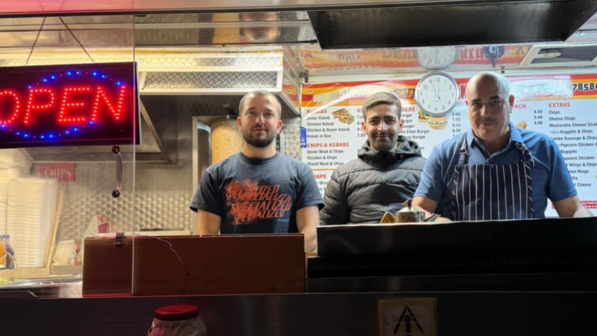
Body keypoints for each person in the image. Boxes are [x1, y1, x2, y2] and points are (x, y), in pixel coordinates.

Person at [413, 72, 593, 220]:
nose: (485, 113)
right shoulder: (444, 154)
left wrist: (588, 223)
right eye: (477, 104)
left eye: (495, 102)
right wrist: (437, 221)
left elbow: (571, 210)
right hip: (464, 258)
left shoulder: (543, 148)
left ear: (511, 103)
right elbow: (418, 210)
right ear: (467, 106)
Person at [190, 90, 323, 252]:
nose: (259, 120)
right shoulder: (215, 175)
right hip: (234, 275)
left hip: (285, 275)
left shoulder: (301, 173)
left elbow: (311, 234)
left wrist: (275, 266)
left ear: (279, 125)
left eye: (268, 114)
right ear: (239, 123)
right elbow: (206, 237)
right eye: (251, 113)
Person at [320, 92, 427, 224]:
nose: (382, 128)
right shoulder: (342, 176)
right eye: (374, 121)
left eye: (389, 120)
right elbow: (326, 227)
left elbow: (442, 221)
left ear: (400, 125)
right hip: (359, 245)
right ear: (364, 127)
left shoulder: (426, 171)